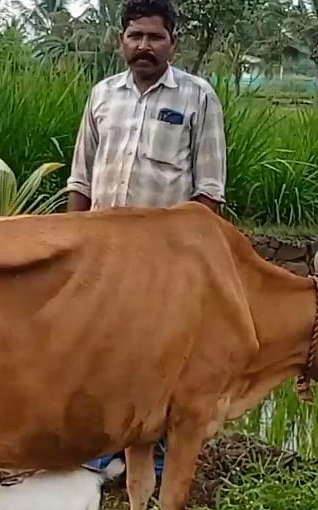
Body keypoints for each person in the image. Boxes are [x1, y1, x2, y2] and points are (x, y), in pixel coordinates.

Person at [66, 0, 228, 478]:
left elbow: (209, 191)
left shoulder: (198, 97)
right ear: (121, 40)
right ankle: (99, 446)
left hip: (162, 263)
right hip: (98, 255)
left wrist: (185, 263)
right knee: (97, 348)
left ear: (173, 43)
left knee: (157, 357)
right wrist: (71, 247)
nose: (144, 46)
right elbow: (81, 179)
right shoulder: (102, 95)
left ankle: (152, 450)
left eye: (155, 37)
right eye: (135, 36)